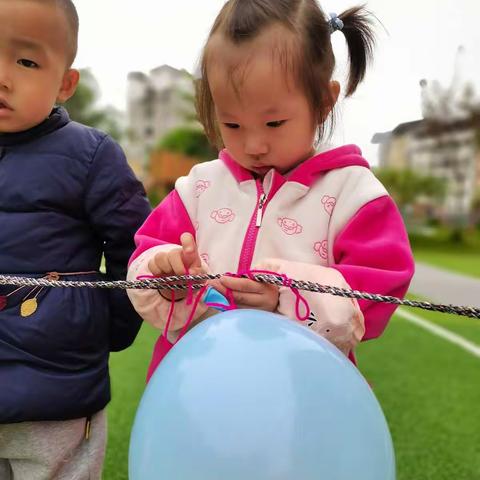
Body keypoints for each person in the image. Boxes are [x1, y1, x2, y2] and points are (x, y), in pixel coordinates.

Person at [127, 0, 415, 381]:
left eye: (274, 122)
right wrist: (169, 277)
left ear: (325, 102)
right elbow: (144, 258)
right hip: (196, 386)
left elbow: (378, 291)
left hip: (302, 392)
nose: (253, 145)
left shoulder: (352, 193)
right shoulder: (199, 187)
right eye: (232, 124)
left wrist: (287, 298)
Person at [0, 0, 151, 478]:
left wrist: (105, 327)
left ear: (65, 82)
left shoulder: (91, 156)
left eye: (26, 61)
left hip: (57, 391)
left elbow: (135, 248)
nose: (2, 77)